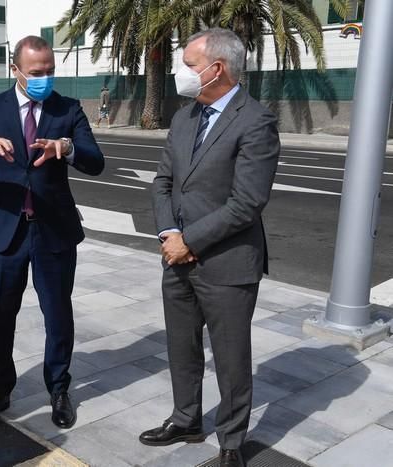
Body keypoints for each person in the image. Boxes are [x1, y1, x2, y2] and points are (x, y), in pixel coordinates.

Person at [139, 28, 280, 467]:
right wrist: (168, 235)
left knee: (232, 357)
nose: (182, 73)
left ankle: (232, 441)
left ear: (216, 69)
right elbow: (163, 181)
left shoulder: (256, 121)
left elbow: (247, 203)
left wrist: (190, 241)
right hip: (175, 256)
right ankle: (186, 419)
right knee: (182, 346)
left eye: (189, 65)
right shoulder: (184, 118)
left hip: (227, 263)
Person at [0, 35, 104, 430]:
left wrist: (66, 147)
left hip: (53, 231)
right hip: (3, 232)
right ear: (15, 70)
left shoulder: (67, 109)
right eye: (36, 73)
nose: (45, 79)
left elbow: (96, 162)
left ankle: (59, 389)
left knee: (58, 314)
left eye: (50, 72)